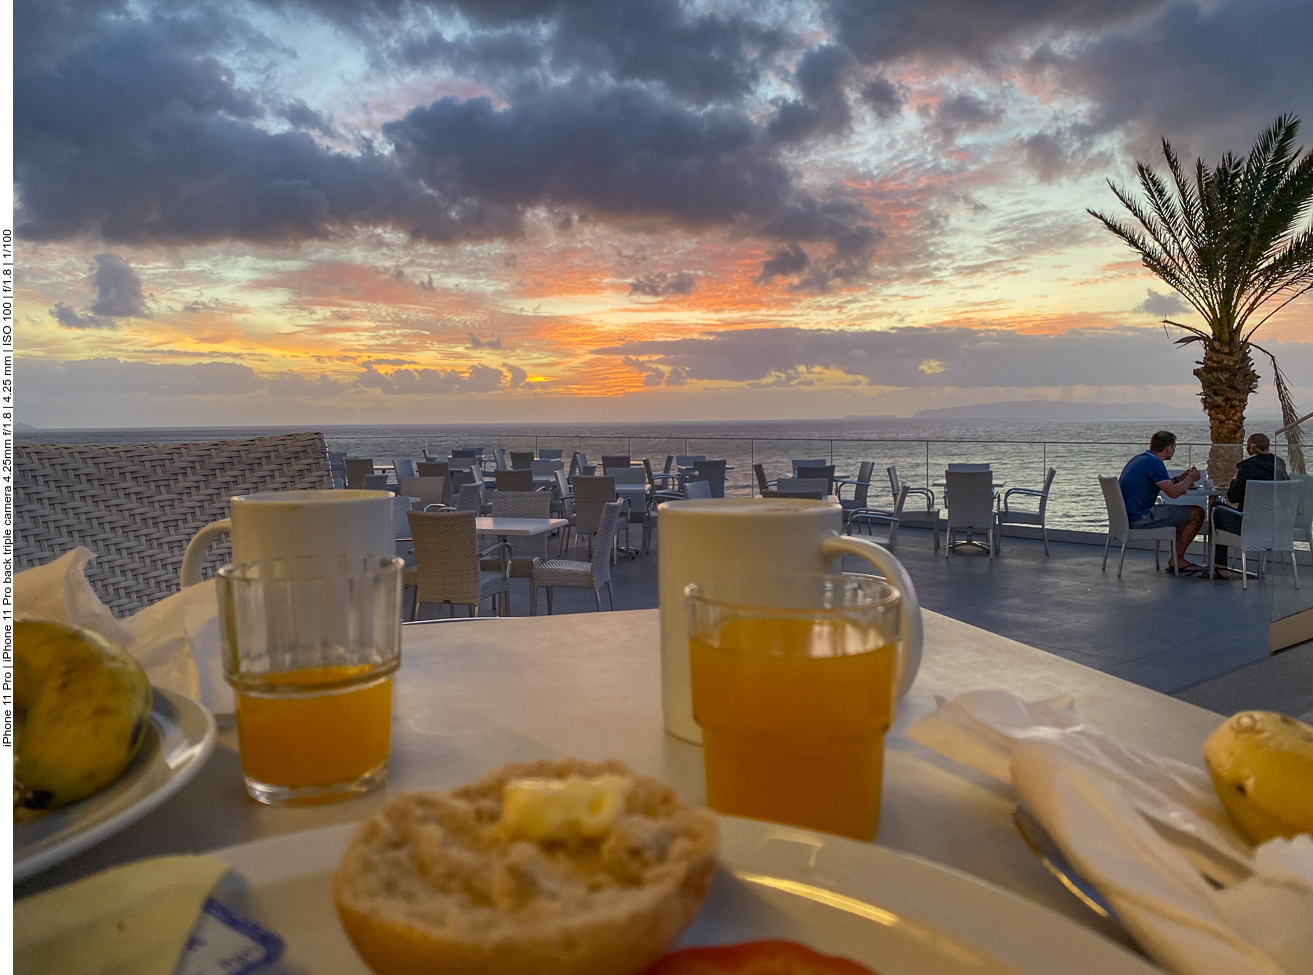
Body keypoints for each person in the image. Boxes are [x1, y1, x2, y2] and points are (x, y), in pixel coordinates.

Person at [1118, 430, 1205, 572]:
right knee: (1197, 513)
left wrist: (1179, 479)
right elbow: (1173, 493)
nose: (1174, 450)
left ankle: (1177, 558)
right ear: (1168, 447)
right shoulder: (1154, 463)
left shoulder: (1141, 459)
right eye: (1174, 447)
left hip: (1128, 516)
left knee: (1182, 514)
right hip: (1140, 517)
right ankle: (1177, 559)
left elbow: (1162, 485)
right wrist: (1191, 478)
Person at [1211, 433, 1289, 579]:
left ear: (1250, 449)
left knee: (1216, 508)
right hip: (1273, 524)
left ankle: (1221, 567)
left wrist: (1234, 480)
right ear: (1267, 447)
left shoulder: (1247, 467)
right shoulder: (1279, 464)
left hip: (1248, 525)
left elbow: (1232, 497)